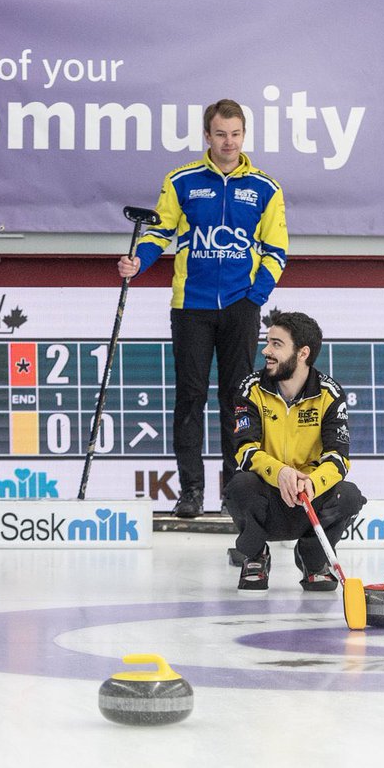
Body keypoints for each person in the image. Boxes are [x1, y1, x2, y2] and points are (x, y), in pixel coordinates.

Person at [118, 99, 288, 518]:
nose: (229, 142)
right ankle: (191, 492)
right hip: (190, 306)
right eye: (221, 134)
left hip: (240, 307)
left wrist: (254, 296)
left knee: (237, 399)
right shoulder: (182, 180)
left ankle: (234, 493)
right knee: (190, 398)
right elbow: (159, 232)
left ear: (243, 135)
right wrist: (139, 261)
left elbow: (277, 250)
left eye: (235, 134)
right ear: (207, 136)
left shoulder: (266, 187)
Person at [224, 312, 365, 591]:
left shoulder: (330, 393)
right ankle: (255, 555)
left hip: (308, 499)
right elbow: (245, 450)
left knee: (349, 495)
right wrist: (280, 473)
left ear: (303, 353)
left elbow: (338, 458)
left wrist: (313, 482)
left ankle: (313, 560)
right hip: (269, 498)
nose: (266, 351)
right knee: (239, 486)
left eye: (276, 344)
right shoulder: (250, 389)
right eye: (267, 342)